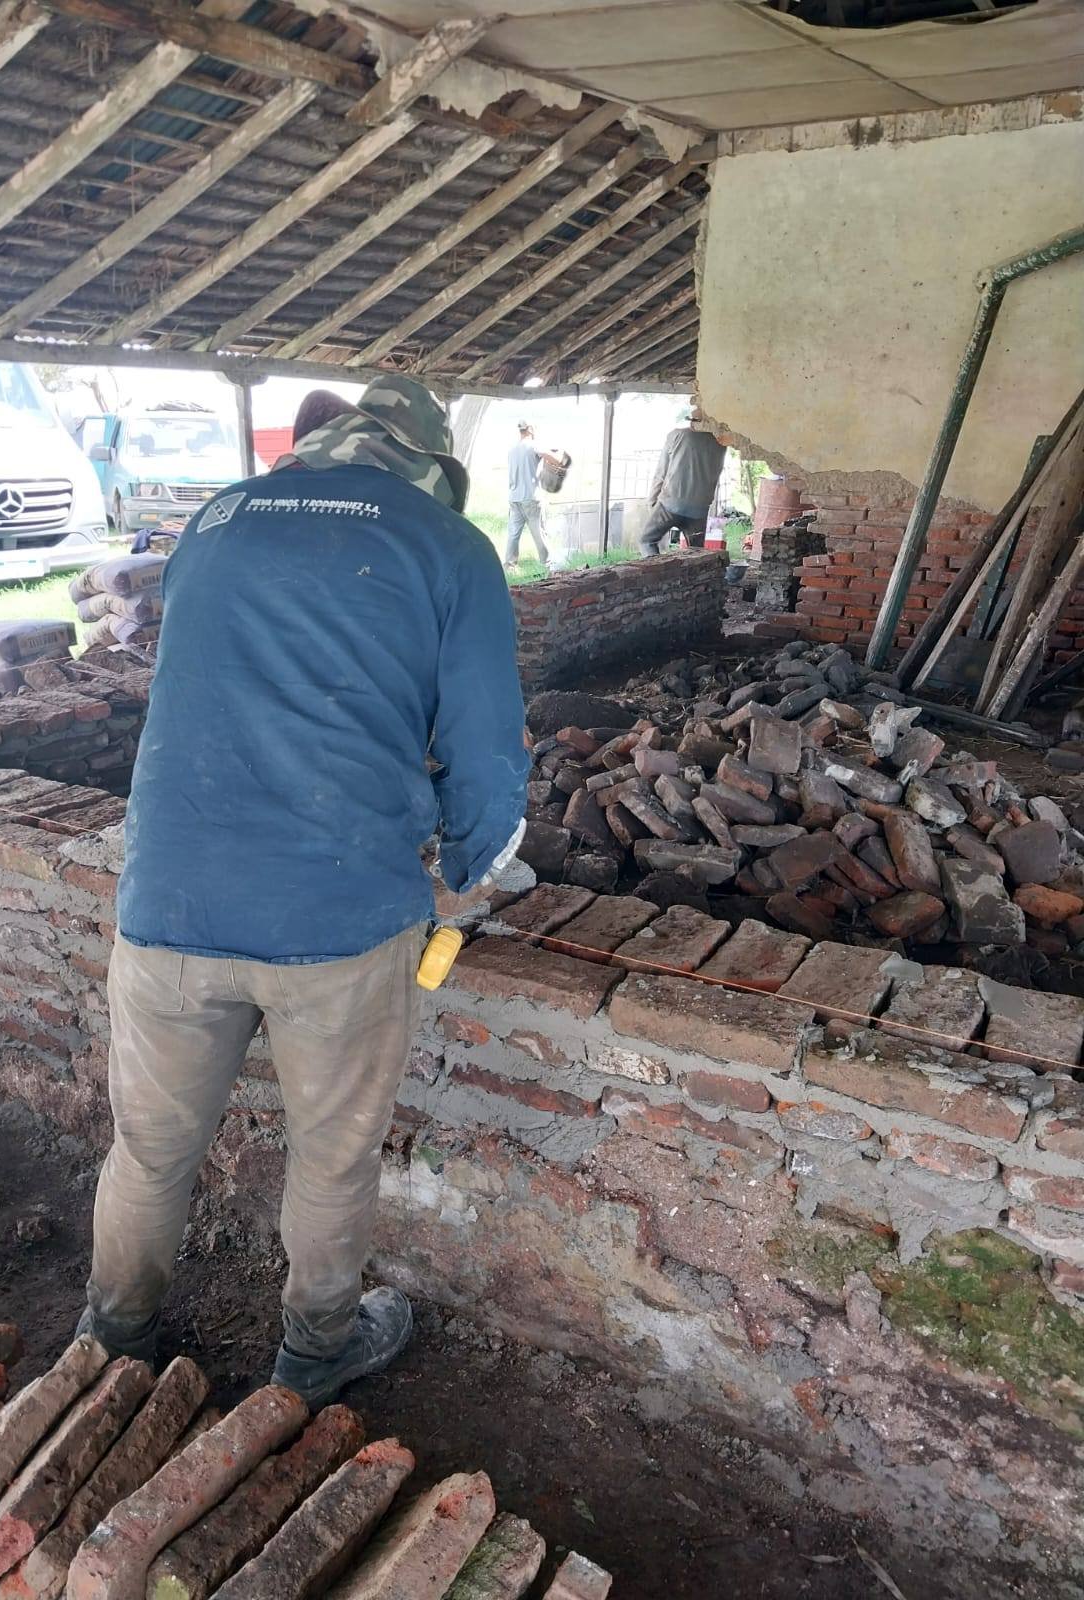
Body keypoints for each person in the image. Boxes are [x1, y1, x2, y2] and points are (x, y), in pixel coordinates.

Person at [77, 375, 528, 1406]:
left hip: (170, 902)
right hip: (338, 917)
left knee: (149, 1150)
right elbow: (487, 751)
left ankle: (113, 1339)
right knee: (332, 1156)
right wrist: (475, 869)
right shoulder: (448, 546)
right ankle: (316, 1351)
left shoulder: (216, 520)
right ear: (428, 464)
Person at [640, 416, 727, 557]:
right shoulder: (721, 443)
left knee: (647, 541)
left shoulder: (677, 435)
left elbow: (661, 473)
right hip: (700, 509)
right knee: (696, 552)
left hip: (670, 503)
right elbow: (716, 473)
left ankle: (656, 568)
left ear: (694, 421)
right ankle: (695, 572)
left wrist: (652, 504)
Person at [505, 419, 560, 569]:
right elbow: (554, 459)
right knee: (539, 533)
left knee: (513, 534)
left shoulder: (512, 449)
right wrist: (558, 458)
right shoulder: (533, 445)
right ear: (529, 429)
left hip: (514, 498)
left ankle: (510, 566)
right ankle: (547, 565)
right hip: (530, 497)